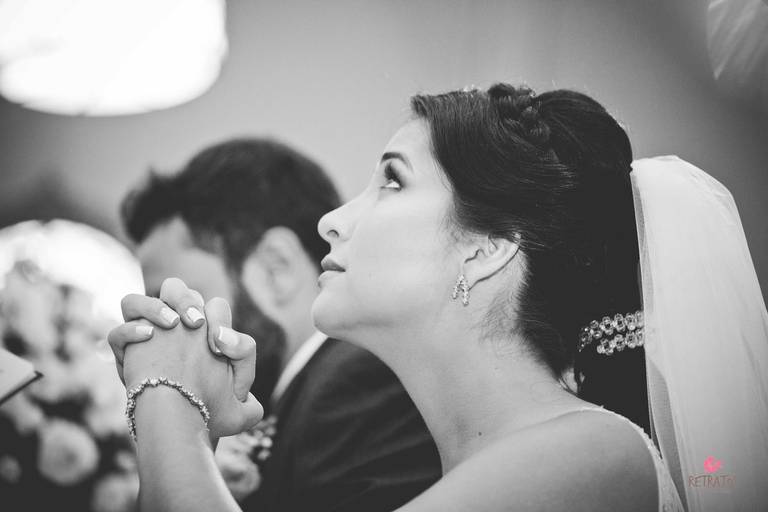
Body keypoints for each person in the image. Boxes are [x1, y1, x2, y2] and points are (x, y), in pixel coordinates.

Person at [109, 84, 768, 511]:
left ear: (487, 249)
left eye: (392, 182)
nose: (331, 220)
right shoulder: (489, 466)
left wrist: (168, 398)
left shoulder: (592, 452)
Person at [118, 138, 441, 510]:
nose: (161, 329)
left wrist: (165, 402)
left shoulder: (354, 386)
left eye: (177, 299)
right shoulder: (304, 395)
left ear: (277, 268)